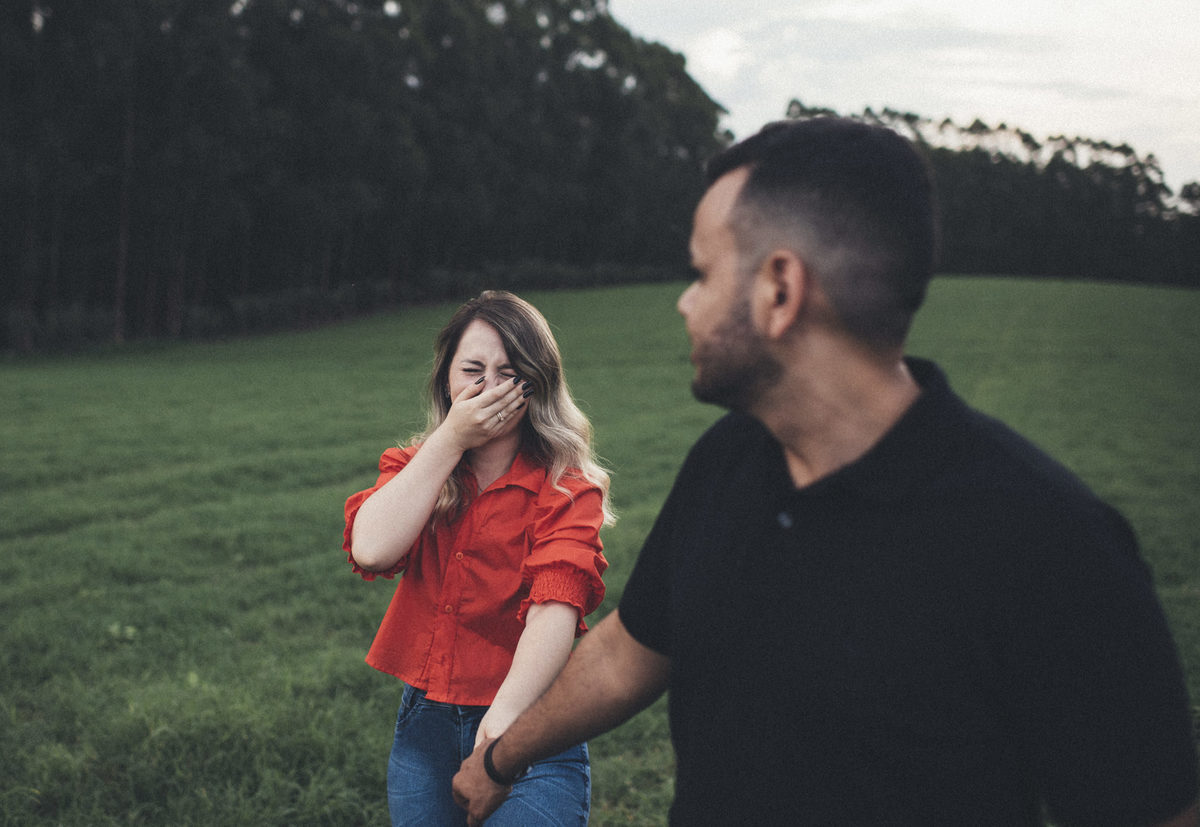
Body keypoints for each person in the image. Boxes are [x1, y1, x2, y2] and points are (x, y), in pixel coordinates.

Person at [451, 118, 1200, 825]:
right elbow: (629, 649)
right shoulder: (728, 461)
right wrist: (503, 756)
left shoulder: (1049, 543)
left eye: (704, 272)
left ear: (780, 290)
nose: (685, 301)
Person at [343, 290, 613, 825]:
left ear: (536, 385)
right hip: (426, 729)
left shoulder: (568, 488)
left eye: (509, 373)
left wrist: (499, 742)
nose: (487, 387)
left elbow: (554, 612)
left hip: (532, 730)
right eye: (472, 370)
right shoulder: (416, 468)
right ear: (447, 376)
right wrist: (449, 441)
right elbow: (371, 549)